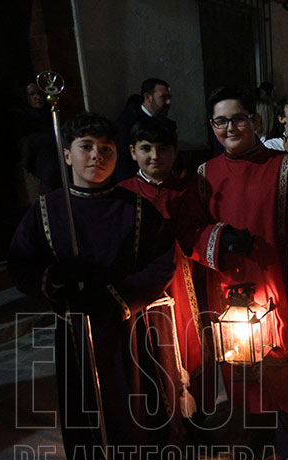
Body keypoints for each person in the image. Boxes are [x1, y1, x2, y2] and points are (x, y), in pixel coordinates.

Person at [8, 112, 176, 460]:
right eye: (85, 147)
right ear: (67, 154)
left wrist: (117, 299)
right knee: (84, 424)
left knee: (131, 419)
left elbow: (161, 262)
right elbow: (20, 262)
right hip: (75, 335)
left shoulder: (136, 210)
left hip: (125, 333)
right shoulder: (46, 211)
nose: (96, 157)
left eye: (106, 150)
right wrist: (51, 280)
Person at [185, 86, 288, 460]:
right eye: (221, 121)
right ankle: (255, 434)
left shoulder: (287, 170)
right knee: (239, 368)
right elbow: (189, 229)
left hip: (276, 288)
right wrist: (218, 237)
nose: (230, 128)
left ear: (256, 121)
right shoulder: (205, 175)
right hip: (227, 288)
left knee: (283, 370)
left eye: (239, 118)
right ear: (212, 126)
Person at [117, 116, 217, 433]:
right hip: (146, 288)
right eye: (146, 148)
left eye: (163, 149)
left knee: (194, 347)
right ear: (132, 152)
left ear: (174, 152)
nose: (155, 156)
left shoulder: (189, 191)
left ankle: (198, 421)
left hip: (186, 282)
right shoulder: (123, 194)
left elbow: (198, 231)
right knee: (151, 352)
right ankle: (161, 425)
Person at [115, 78, 175, 182]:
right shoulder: (126, 123)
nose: (168, 102)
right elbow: (123, 161)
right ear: (148, 97)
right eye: (163, 97)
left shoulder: (166, 123)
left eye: (169, 97)